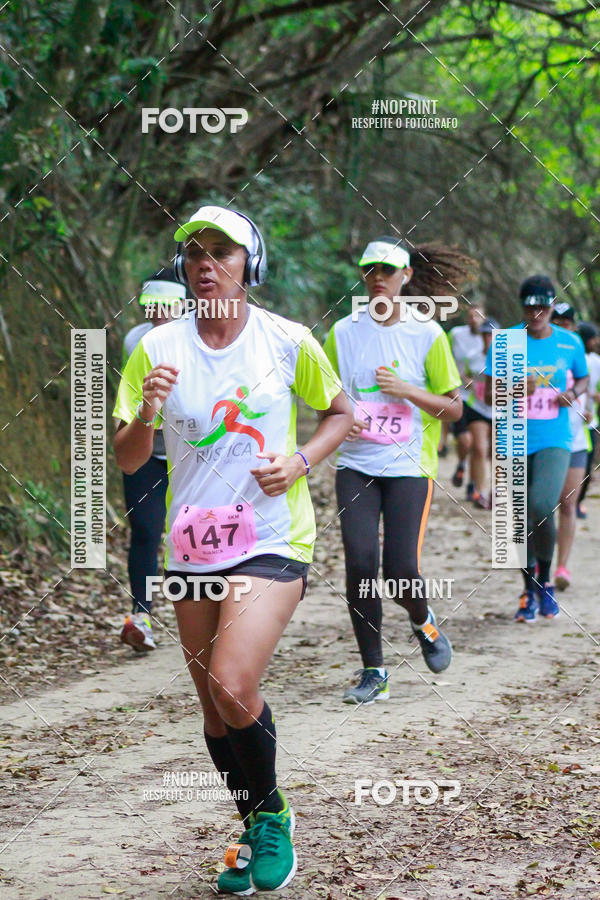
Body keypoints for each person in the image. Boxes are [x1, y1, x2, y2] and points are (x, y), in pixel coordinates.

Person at [113, 205, 352, 894]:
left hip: (274, 536)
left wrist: (301, 461)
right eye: (195, 253)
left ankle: (274, 817)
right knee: (214, 708)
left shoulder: (286, 340)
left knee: (231, 680)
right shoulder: (156, 350)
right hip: (193, 545)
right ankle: (250, 823)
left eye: (223, 251)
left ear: (252, 265)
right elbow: (131, 460)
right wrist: (150, 413)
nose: (207, 263)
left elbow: (342, 413)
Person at [324, 235, 477, 704]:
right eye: (370, 271)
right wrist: (340, 421)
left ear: (406, 277)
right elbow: (327, 398)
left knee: (399, 570)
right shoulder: (342, 333)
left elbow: (454, 408)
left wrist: (408, 390)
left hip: (409, 466)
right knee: (361, 563)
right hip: (356, 465)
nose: (377, 279)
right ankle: (374, 671)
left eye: (387, 271)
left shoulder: (427, 334)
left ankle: (423, 621)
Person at [485, 276, 588, 622]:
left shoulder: (570, 342)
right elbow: (487, 395)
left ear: (552, 305)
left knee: (542, 504)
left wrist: (572, 394)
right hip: (513, 436)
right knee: (517, 519)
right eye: (530, 306)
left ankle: (546, 581)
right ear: (522, 306)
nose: (537, 312)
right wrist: (515, 387)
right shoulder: (505, 342)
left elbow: (583, 377)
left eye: (543, 305)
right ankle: (529, 590)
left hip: (554, 438)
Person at [119, 269, 185, 651]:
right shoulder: (135, 341)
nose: (158, 313)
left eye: (167, 306)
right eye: (151, 306)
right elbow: (132, 398)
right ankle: (140, 615)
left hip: (190, 453)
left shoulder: (198, 340)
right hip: (147, 453)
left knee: (188, 532)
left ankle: (211, 607)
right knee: (145, 532)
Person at [550, 304, 590, 590]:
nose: (563, 326)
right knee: (538, 507)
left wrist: (588, 412)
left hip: (576, 441)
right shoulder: (537, 353)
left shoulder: (590, 361)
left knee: (568, 504)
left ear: (574, 326)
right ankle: (540, 564)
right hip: (541, 441)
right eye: (557, 321)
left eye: (567, 322)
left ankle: (562, 567)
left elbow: (591, 391)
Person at [460, 316, 498, 510]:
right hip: (477, 407)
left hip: (500, 409)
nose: (487, 339)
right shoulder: (472, 355)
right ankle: (480, 492)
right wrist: (470, 383)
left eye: (491, 335)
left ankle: (495, 492)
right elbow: (462, 374)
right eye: (484, 335)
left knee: (497, 453)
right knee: (479, 448)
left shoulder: (508, 358)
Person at [448, 304, 486, 498]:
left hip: (477, 401)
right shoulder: (456, 334)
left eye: (478, 316)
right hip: (458, 395)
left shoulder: (490, 339)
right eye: (471, 316)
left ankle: (474, 485)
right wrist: (460, 379)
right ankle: (461, 464)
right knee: (465, 441)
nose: (474, 320)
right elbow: (446, 359)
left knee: (478, 445)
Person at [576, 322, 600, 518]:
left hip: (591, 422)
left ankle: (577, 501)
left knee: (587, 467)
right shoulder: (573, 357)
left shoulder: (596, 361)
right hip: (573, 421)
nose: (596, 341)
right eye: (593, 338)